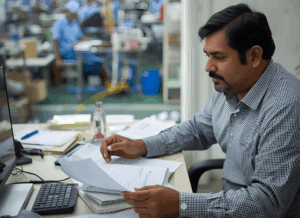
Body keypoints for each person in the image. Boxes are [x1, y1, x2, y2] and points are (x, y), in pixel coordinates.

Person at [100, 3, 300, 218]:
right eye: (207, 56)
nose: (208, 67)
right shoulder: (232, 86)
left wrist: (180, 204)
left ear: (254, 56)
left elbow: (268, 203)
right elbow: (197, 129)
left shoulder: (286, 107)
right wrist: (142, 145)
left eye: (219, 57)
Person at [52, 1, 108, 86]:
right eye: (72, 14)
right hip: (67, 52)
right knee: (89, 61)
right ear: (66, 12)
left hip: (77, 49)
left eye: (75, 15)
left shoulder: (74, 23)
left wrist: (91, 40)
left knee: (95, 58)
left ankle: (93, 80)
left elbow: (80, 37)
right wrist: (58, 59)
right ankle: (85, 81)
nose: (74, 16)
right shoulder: (59, 23)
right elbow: (55, 42)